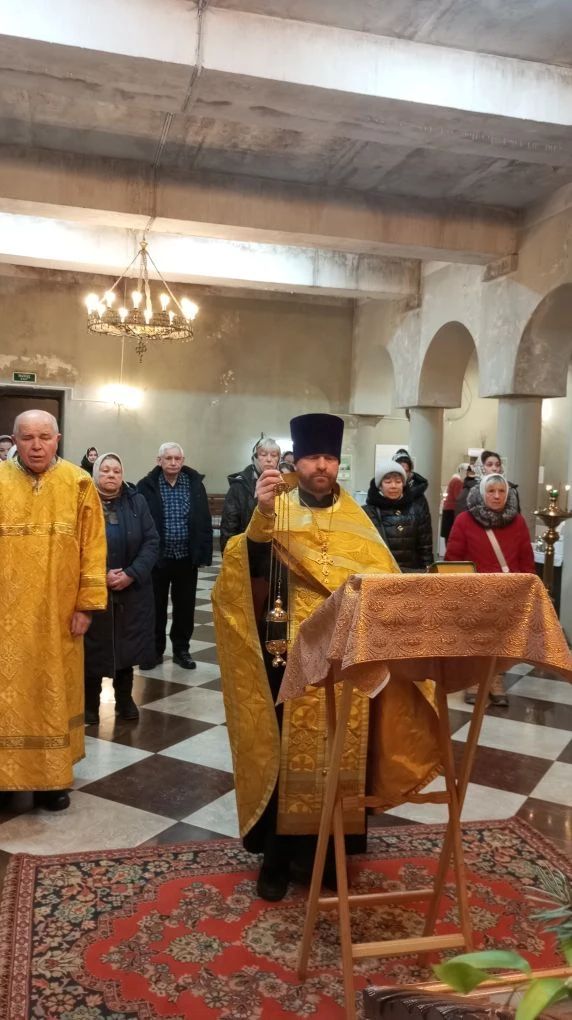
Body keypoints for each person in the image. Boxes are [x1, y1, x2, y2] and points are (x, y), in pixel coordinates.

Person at [212, 413, 440, 902]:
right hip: (287, 653)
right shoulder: (276, 507)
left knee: (344, 755)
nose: (321, 466)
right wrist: (262, 517)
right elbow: (244, 567)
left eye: (330, 458)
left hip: (348, 658)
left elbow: (384, 581)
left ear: (338, 464)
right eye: (314, 457)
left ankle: (331, 853)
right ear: (297, 460)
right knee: (285, 755)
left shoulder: (357, 519)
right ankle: (277, 858)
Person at [0, 410, 106, 811]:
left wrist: (87, 605)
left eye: (44, 437)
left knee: (53, 694)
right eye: (27, 438)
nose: (36, 446)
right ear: (14, 440)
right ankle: (4, 780)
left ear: (57, 439)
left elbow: (93, 547)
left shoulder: (78, 483)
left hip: (59, 616)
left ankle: (52, 781)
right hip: (5, 617)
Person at [446, 473, 535, 706]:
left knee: (500, 639)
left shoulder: (518, 521)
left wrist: (527, 585)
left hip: (507, 592)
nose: (496, 496)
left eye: (501, 491)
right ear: (482, 493)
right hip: (473, 592)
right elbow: (453, 557)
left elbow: (526, 557)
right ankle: (473, 680)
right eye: (491, 491)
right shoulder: (464, 520)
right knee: (475, 637)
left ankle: (495, 679)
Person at [84, 453, 159, 725]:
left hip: (132, 589)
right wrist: (100, 575)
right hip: (94, 588)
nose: (111, 475)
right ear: (96, 474)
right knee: (94, 646)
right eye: (105, 470)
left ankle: (125, 699)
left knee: (128, 645)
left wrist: (130, 574)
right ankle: (90, 705)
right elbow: (74, 545)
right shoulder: (83, 501)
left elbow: (151, 542)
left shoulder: (137, 501)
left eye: (116, 470)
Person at [137, 442, 213, 670]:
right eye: (168, 458)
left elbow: (204, 519)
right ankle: (154, 650)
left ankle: (181, 650)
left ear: (182, 460)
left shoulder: (194, 484)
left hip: (186, 558)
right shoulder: (146, 485)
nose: (173, 462)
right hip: (157, 559)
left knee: (185, 607)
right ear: (159, 461)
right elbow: (140, 522)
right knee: (155, 607)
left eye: (177, 458)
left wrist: (204, 553)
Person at [364, 459, 433, 571]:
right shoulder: (367, 512)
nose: (393, 486)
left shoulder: (417, 510)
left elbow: (425, 547)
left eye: (398, 481)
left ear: (403, 484)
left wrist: (429, 571)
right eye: (388, 482)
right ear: (380, 486)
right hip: (381, 575)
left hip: (412, 575)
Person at [220, 437, 281, 554]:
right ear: (255, 458)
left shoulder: (284, 484)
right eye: (263, 455)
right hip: (248, 548)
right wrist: (229, 554)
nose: (269, 459)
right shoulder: (239, 486)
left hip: (277, 552)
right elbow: (229, 525)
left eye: (274, 455)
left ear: (278, 459)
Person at [441, 463, 467, 542]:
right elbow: (458, 497)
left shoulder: (455, 480)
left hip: (449, 510)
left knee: (449, 536)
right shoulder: (457, 481)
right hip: (452, 511)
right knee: (451, 536)